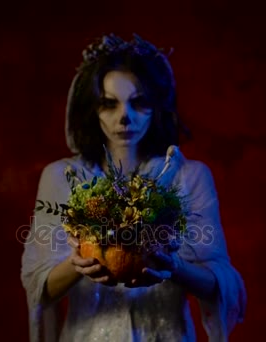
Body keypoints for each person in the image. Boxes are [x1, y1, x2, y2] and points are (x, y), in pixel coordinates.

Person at [21, 33, 246, 341]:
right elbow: (39, 286)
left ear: (157, 105)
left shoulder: (188, 176)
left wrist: (175, 267)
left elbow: (221, 281)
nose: (124, 117)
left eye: (139, 103)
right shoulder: (62, 176)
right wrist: (78, 266)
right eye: (108, 104)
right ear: (91, 108)